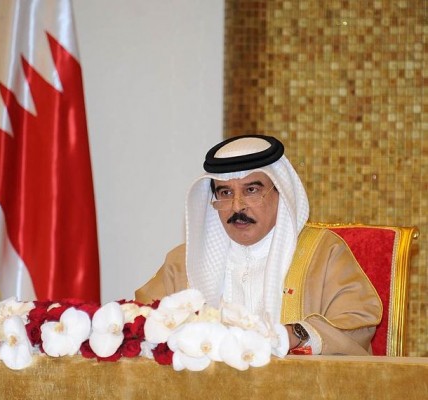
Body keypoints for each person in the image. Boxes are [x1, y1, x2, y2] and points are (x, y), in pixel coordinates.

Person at [136, 134, 382, 355]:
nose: (237, 206)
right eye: (225, 193)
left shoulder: (323, 253)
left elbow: (357, 322)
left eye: (251, 190)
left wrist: (295, 334)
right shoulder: (183, 262)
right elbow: (140, 322)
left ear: (280, 192)